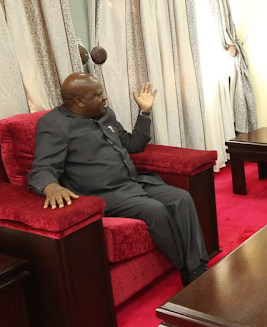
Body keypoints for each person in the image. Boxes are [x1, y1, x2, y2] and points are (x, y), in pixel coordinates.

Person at [28, 73, 209, 285]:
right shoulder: (54, 124)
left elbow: (133, 144)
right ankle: (190, 271)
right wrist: (51, 187)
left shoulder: (105, 114)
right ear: (79, 101)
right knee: (156, 211)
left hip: (133, 182)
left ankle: (197, 266)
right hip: (105, 194)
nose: (105, 98)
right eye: (99, 95)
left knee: (182, 198)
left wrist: (145, 111)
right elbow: (41, 168)